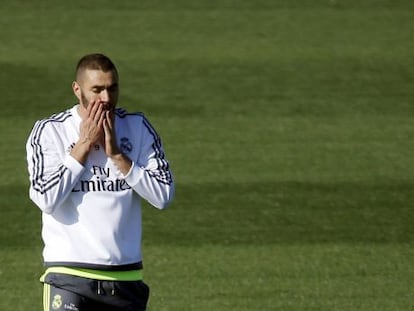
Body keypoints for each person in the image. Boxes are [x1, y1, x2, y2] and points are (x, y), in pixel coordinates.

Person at [26, 53, 175, 311]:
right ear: (77, 90)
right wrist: (82, 146)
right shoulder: (51, 131)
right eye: (97, 90)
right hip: (69, 277)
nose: (106, 99)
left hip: (126, 279)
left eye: (112, 88)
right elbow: (45, 199)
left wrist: (118, 156)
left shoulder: (137, 128)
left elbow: (163, 196)